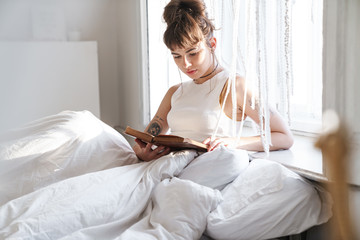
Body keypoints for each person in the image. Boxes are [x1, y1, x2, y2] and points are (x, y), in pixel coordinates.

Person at [134, 0, 293, 161]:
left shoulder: (235, 86)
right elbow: (142, 142)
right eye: (177, 56)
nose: (185, 64)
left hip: (211, 166)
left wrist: (233, 142)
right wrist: (143, 153)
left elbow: (284, 136)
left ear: (212, 44)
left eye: (193, 53)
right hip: (171, 165)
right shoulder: (174, 92)